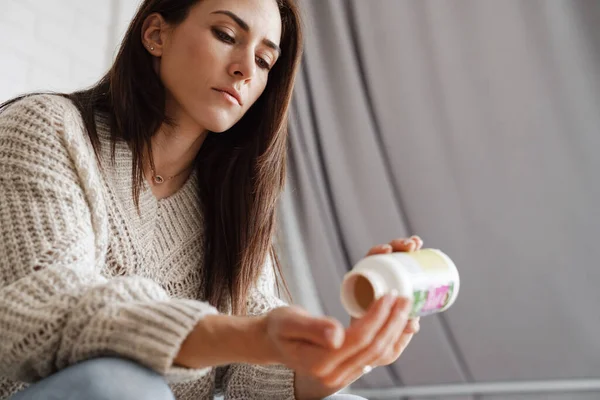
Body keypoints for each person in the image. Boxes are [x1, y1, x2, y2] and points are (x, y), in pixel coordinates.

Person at [0, 0, 422, 399]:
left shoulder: (229, 206)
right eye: (225, 34)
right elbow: (45, 312)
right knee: (124, 386)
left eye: (263, 61)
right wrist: (246, 337)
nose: (244, 70)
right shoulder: (48, 129)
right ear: (156, 34)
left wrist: (343, 355)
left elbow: (249, 375)